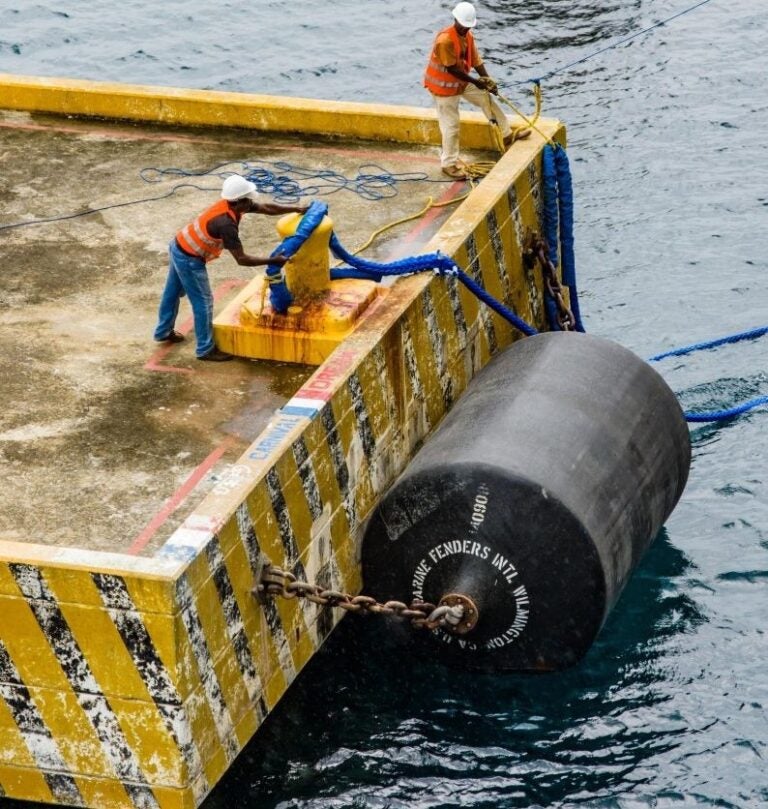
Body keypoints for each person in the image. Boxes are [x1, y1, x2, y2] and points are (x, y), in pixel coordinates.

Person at [153, 175, 308, 361]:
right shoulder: (226, 224)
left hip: (179, 245)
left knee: (172, 292)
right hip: (189, 258)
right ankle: (205, 349)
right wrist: (272, 260)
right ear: (240, 201)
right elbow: (241, 259)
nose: (252, 202)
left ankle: (163, 331)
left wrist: (296, 208)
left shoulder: (232, 204)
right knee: (203, 301)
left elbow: (266, 207)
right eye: (248, 199)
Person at [424, 1, 529, 180]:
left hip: (461, 83)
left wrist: (487, 81)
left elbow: (476, 60)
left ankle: (506, 136)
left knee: (486, 99)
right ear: (455, 20)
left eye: (468, 26)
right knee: (451, 126)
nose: (465, 29)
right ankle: (448, 164)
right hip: (443, 89)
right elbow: (453, 69)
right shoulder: (445, 40)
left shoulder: (467, 36)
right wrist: (476, 81)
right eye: (463, 26)